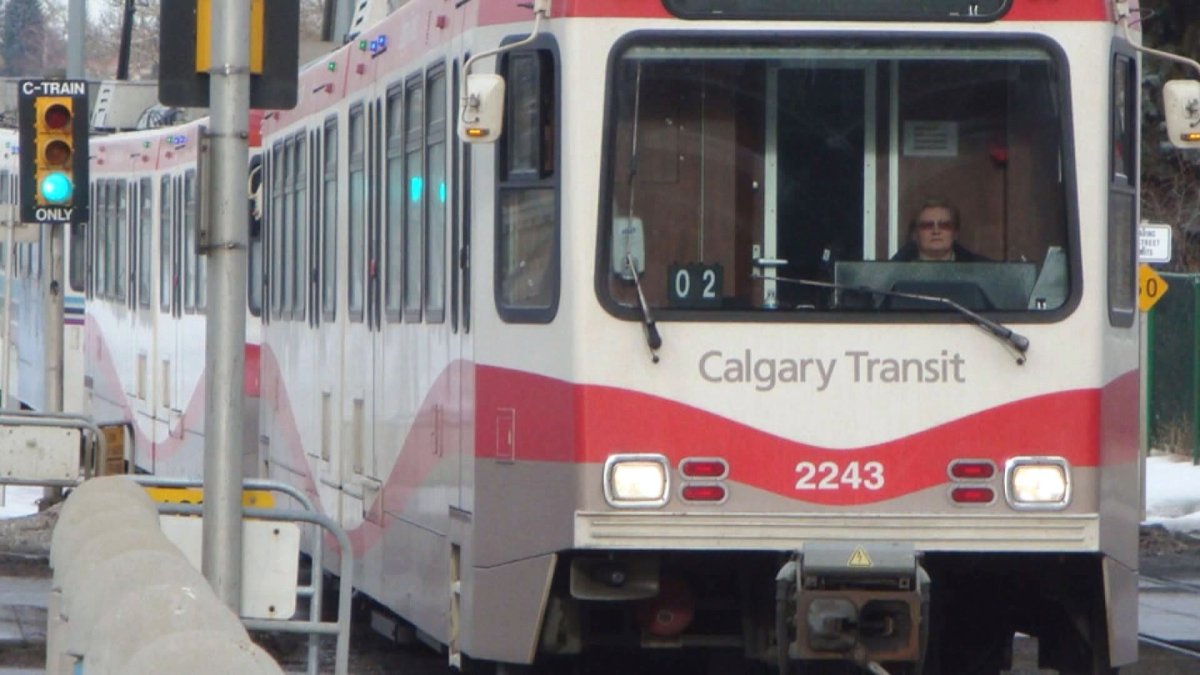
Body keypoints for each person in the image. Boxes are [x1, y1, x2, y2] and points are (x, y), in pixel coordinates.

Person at [891, 197, 988, 262]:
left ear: (955, 233)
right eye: (927, 225)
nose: (936, 231)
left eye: (944, 225)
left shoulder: (983, 269)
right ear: (915, 234)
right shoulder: (892, 272)